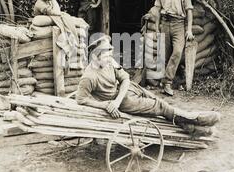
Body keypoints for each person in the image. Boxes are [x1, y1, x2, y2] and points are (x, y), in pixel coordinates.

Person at [76, 35, 220, 137]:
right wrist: (106, 105)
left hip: (125, 92)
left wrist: (117, 100)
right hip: (125, 101)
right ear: (95, 56)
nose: (109, 59)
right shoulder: (89, 77)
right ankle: (195, 119)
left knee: (158, 101)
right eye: (106, 56)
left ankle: (191, 128)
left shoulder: (109, 62)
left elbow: (125, 78)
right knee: (160, 106)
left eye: (110, 54)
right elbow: (81, 99)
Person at [143, 0, 194, 96]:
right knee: (164, 54)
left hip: (178, 24)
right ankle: (162, 82)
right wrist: (156, 28)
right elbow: (157, 11)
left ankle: (167, 82)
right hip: (165, 23)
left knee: (177, 51)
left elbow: (189, 11)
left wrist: (188, 30)